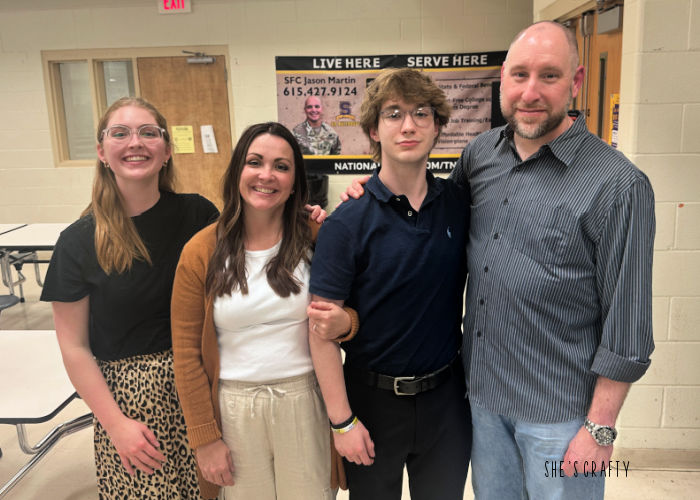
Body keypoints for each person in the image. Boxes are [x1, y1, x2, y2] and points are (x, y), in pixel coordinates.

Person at [448, 21, 655, 499]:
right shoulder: (481, 155)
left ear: (576, 81)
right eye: (519, 75)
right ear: (503, 77)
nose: (531, 92)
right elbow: (432, 225)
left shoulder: (617, 185)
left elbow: (628, 325)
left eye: (549, 76)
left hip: (560, 418)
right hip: (484, 404)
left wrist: (599, 429)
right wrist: (369, 191)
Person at [40, 96, 220, 498]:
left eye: (148, 133)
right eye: (120, 133)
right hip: (132, 408)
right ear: (103, 152)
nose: (135, 142)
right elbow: (74, 348)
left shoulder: (198, 215)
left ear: (167, 150)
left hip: (203, 388)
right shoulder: (77, 242)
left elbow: (253, 254)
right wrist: (115, 424)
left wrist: (309, 220)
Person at [308, 68, 471, 500]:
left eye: (421, 113)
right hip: (371, 402)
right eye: (393, 114)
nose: (408, 125)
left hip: (446, 399)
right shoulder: (346, 223)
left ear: (437, 126)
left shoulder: (459, 204)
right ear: (373, 131)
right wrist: (341, 421)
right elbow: (320, 330)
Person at [170, 122, 353, 500]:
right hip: (234, 408)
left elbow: (356, 310)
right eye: (255, 162)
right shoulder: (200, 252)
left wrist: (347, 323)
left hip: (305, 401)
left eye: (281, 166)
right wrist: (205, 438)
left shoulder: (317, 236)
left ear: (295, 181)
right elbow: (186, 355)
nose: (266, 175)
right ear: (238, 169)